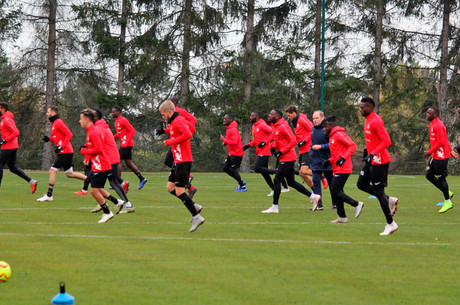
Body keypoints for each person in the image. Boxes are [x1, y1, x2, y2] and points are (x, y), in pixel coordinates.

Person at [261, 109, 320, 214]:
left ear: (278, 116)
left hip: (288, 157)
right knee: (291, 182)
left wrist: (282, 151)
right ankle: (313, 196)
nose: (269, 115)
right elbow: (279, 141)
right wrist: (272, 148)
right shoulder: (275, 127)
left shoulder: (283, 126)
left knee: (277, 180)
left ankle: (275, 207)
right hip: (284, 157)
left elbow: (293, 140)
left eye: (271, 114)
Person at [159, 100, 204, 232]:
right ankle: (194, 206)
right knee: (170, 187)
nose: (162, 117)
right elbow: (192, 128)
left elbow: (189, 134)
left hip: (183, 160)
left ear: (169, 112)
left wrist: (171, 141)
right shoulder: (174, 122)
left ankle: (197, 217)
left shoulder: (178, 121)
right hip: (178, 160)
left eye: (163, 114)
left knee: (179, 191)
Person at [357, 97, 399, 236]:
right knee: (361, 184)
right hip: (372, 160)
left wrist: (373, 152)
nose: (361, 109)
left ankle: (390, 224)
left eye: (363, 107)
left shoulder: (375, 120)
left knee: (379, 192)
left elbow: (387, 140)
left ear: (370, 107)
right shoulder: (368, 120)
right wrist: (367, 152)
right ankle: (389, 200)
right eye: (360, 107)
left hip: (380, 161)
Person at [37, 105, 86, 202]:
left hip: (65, 151)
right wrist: (49, 139)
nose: (47, 114)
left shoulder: (58, 122)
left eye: (48, 112)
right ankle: (90, 179)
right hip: (66, 151)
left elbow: (69, 134)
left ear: (53, 113)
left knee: (52, 171)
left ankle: (49, 195)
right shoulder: (55, 123)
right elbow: (58, 137)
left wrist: (61, 146)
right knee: (70, 174)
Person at [91, 109, 135, 214]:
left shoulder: (99, 128)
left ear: (96, 117)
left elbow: (99, 145)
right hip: (109, 158)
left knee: (113, 182)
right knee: (100, 182)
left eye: (91, 115)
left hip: (110, 159)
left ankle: (128, 205)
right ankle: (103, 202)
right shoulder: (100, 126)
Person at [323, 116, 364, 223]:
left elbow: (352, 146)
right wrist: (329, 161)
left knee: (335, 190)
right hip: (337, 168)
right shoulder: (332, 137)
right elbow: (337, 154)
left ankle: (356, 204)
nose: (323, 129)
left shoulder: (339, 134)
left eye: (325, 126)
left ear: (331, 125)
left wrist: (343, 158)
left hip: (344, 168)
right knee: (337, 191)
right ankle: (342, 217)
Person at [156, 96, 198, 198]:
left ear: (174, 103)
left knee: (170, 161)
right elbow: (173, 128)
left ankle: (188, 178)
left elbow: (193, 120)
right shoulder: (170, 114)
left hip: (178, 143)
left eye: (169, 101)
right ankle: (190, 185)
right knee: (169, 161)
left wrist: (185, 132)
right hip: (175, 142)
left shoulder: (180, 112)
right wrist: (164, 131)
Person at [79, 109, 115, 223]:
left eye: (81, 119)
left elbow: (99, 149)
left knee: (94, 191)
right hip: (98, 165)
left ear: (87, 119)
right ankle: (116, 203)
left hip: (102, 165)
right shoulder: (91, 131)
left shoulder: (93, 132)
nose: (79, 121)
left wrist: (84, 152)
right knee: (96, 189)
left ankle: (107, 212)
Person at [424, 107, 456, 213]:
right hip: (435, 155)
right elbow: (444, 139)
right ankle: (447, 192)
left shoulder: (438, 125)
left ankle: (448, 202)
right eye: (427, 112)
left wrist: (429, 151)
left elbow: (442, 141)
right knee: (429, 175)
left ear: (436, 114)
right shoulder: (432, 123)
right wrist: (451, 150)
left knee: (442, 179)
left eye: (430, 113)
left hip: (441, 156)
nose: (427, 114)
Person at [0, 102, 38, 193]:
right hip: (11, 146)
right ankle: (32, 182)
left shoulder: (6, 119)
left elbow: (16, 132)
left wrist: (5, 140)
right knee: (12, 167)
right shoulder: (4, 119)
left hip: (9, 146)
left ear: (3, 108)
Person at [111, 106, 147, 190]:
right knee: (129, 163)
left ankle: (118, 182)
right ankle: (142, 179)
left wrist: (126, 142)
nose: (112, 113)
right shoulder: (116, 121)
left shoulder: (123, 120)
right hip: (124, 144)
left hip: (126, 145)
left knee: (117, 160)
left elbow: (132, 130)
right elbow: (120, 133)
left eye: (114, 112)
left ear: (118, 112)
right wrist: (111, 137)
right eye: (112, 112)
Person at [243, 111, 275, 195]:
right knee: (264, 173)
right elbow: (256, 140)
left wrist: (265, 142)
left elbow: (273, 133)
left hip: (265, 151)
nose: (250, 117)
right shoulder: (254, 126)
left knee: (257, 168)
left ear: (257, 117)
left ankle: (275, 171)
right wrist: (247, 146)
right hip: (259, 151)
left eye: (252, 116)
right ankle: (274, 189)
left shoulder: (262, 124)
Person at [310, 110, 335, 210]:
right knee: (316, 182)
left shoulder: (328, 129)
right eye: (313, 118)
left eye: (317, 118)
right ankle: (319, 205)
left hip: (327, 161)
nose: (315, 120)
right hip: (315, 161)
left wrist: (322, 146)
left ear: (322, 118)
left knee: (332, 184)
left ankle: (335, 204)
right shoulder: (312, 129)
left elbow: (333, 144)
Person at [285, 105, 314, 188]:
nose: (288, 117)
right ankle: (315, 191)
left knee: (304, 170)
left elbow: (313, 130)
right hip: (302, 149)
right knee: (302, 173)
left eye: (289, 115)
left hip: (308, 147)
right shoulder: (295, 122)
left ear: (293, 113)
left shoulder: (301, 119)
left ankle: (322, 175)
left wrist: (305, 141)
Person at [220, 113, 246, 192]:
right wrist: (226, 142)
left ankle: (242, 186)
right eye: (224, 118)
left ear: (231, 120)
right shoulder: (229, 128)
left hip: (237, 153)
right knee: (225, 168)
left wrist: (224, 139)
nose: (224, 120)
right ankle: (240, 181)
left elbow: (234, 142)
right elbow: (231, 139)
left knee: (233, 169)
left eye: (226, 119)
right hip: (231, 153)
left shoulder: (233, 129)